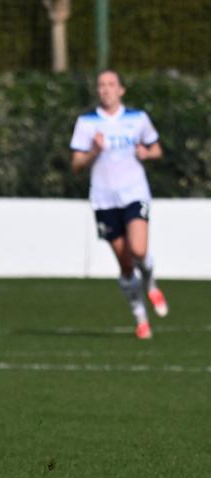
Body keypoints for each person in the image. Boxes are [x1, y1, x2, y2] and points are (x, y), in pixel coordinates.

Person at [71, 69, 167, 340]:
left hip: (135, 193)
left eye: (111, 84)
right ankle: (141, 318)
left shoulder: (138, 118)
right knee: (125, 264)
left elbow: (157, 148)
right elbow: (76, 164)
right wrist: (94, 151)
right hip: (104, 199)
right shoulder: (87, 123)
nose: (105, 89)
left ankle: (151, 283)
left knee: (139, 248)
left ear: (121, 89)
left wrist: (147, 153)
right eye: (101, 85)